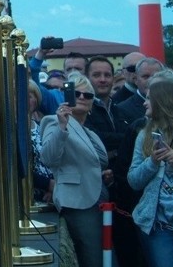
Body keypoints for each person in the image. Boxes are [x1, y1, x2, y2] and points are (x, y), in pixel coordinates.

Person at [39, 72, 108, 267]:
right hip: (76, 200)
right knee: (92, 258)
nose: (82, 98)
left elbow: (92, 163)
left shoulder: (89, 131)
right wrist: (62, 127)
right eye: (76, 93)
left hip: (97, 197)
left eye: (88, 95)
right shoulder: (53, 121)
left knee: (101, 256)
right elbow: (48, 157)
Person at [127, 77, 173, 265]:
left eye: (149, 98)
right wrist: (152, 162)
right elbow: (133, 180)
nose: (144, 102)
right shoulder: (144, 135)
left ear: (163, 101)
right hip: (159, 226)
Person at [116, 57, 165, 126]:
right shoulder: (121, 109)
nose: (151, 80)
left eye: (155, 76)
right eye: (146, 76)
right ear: (136, 80)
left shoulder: (171, 104)